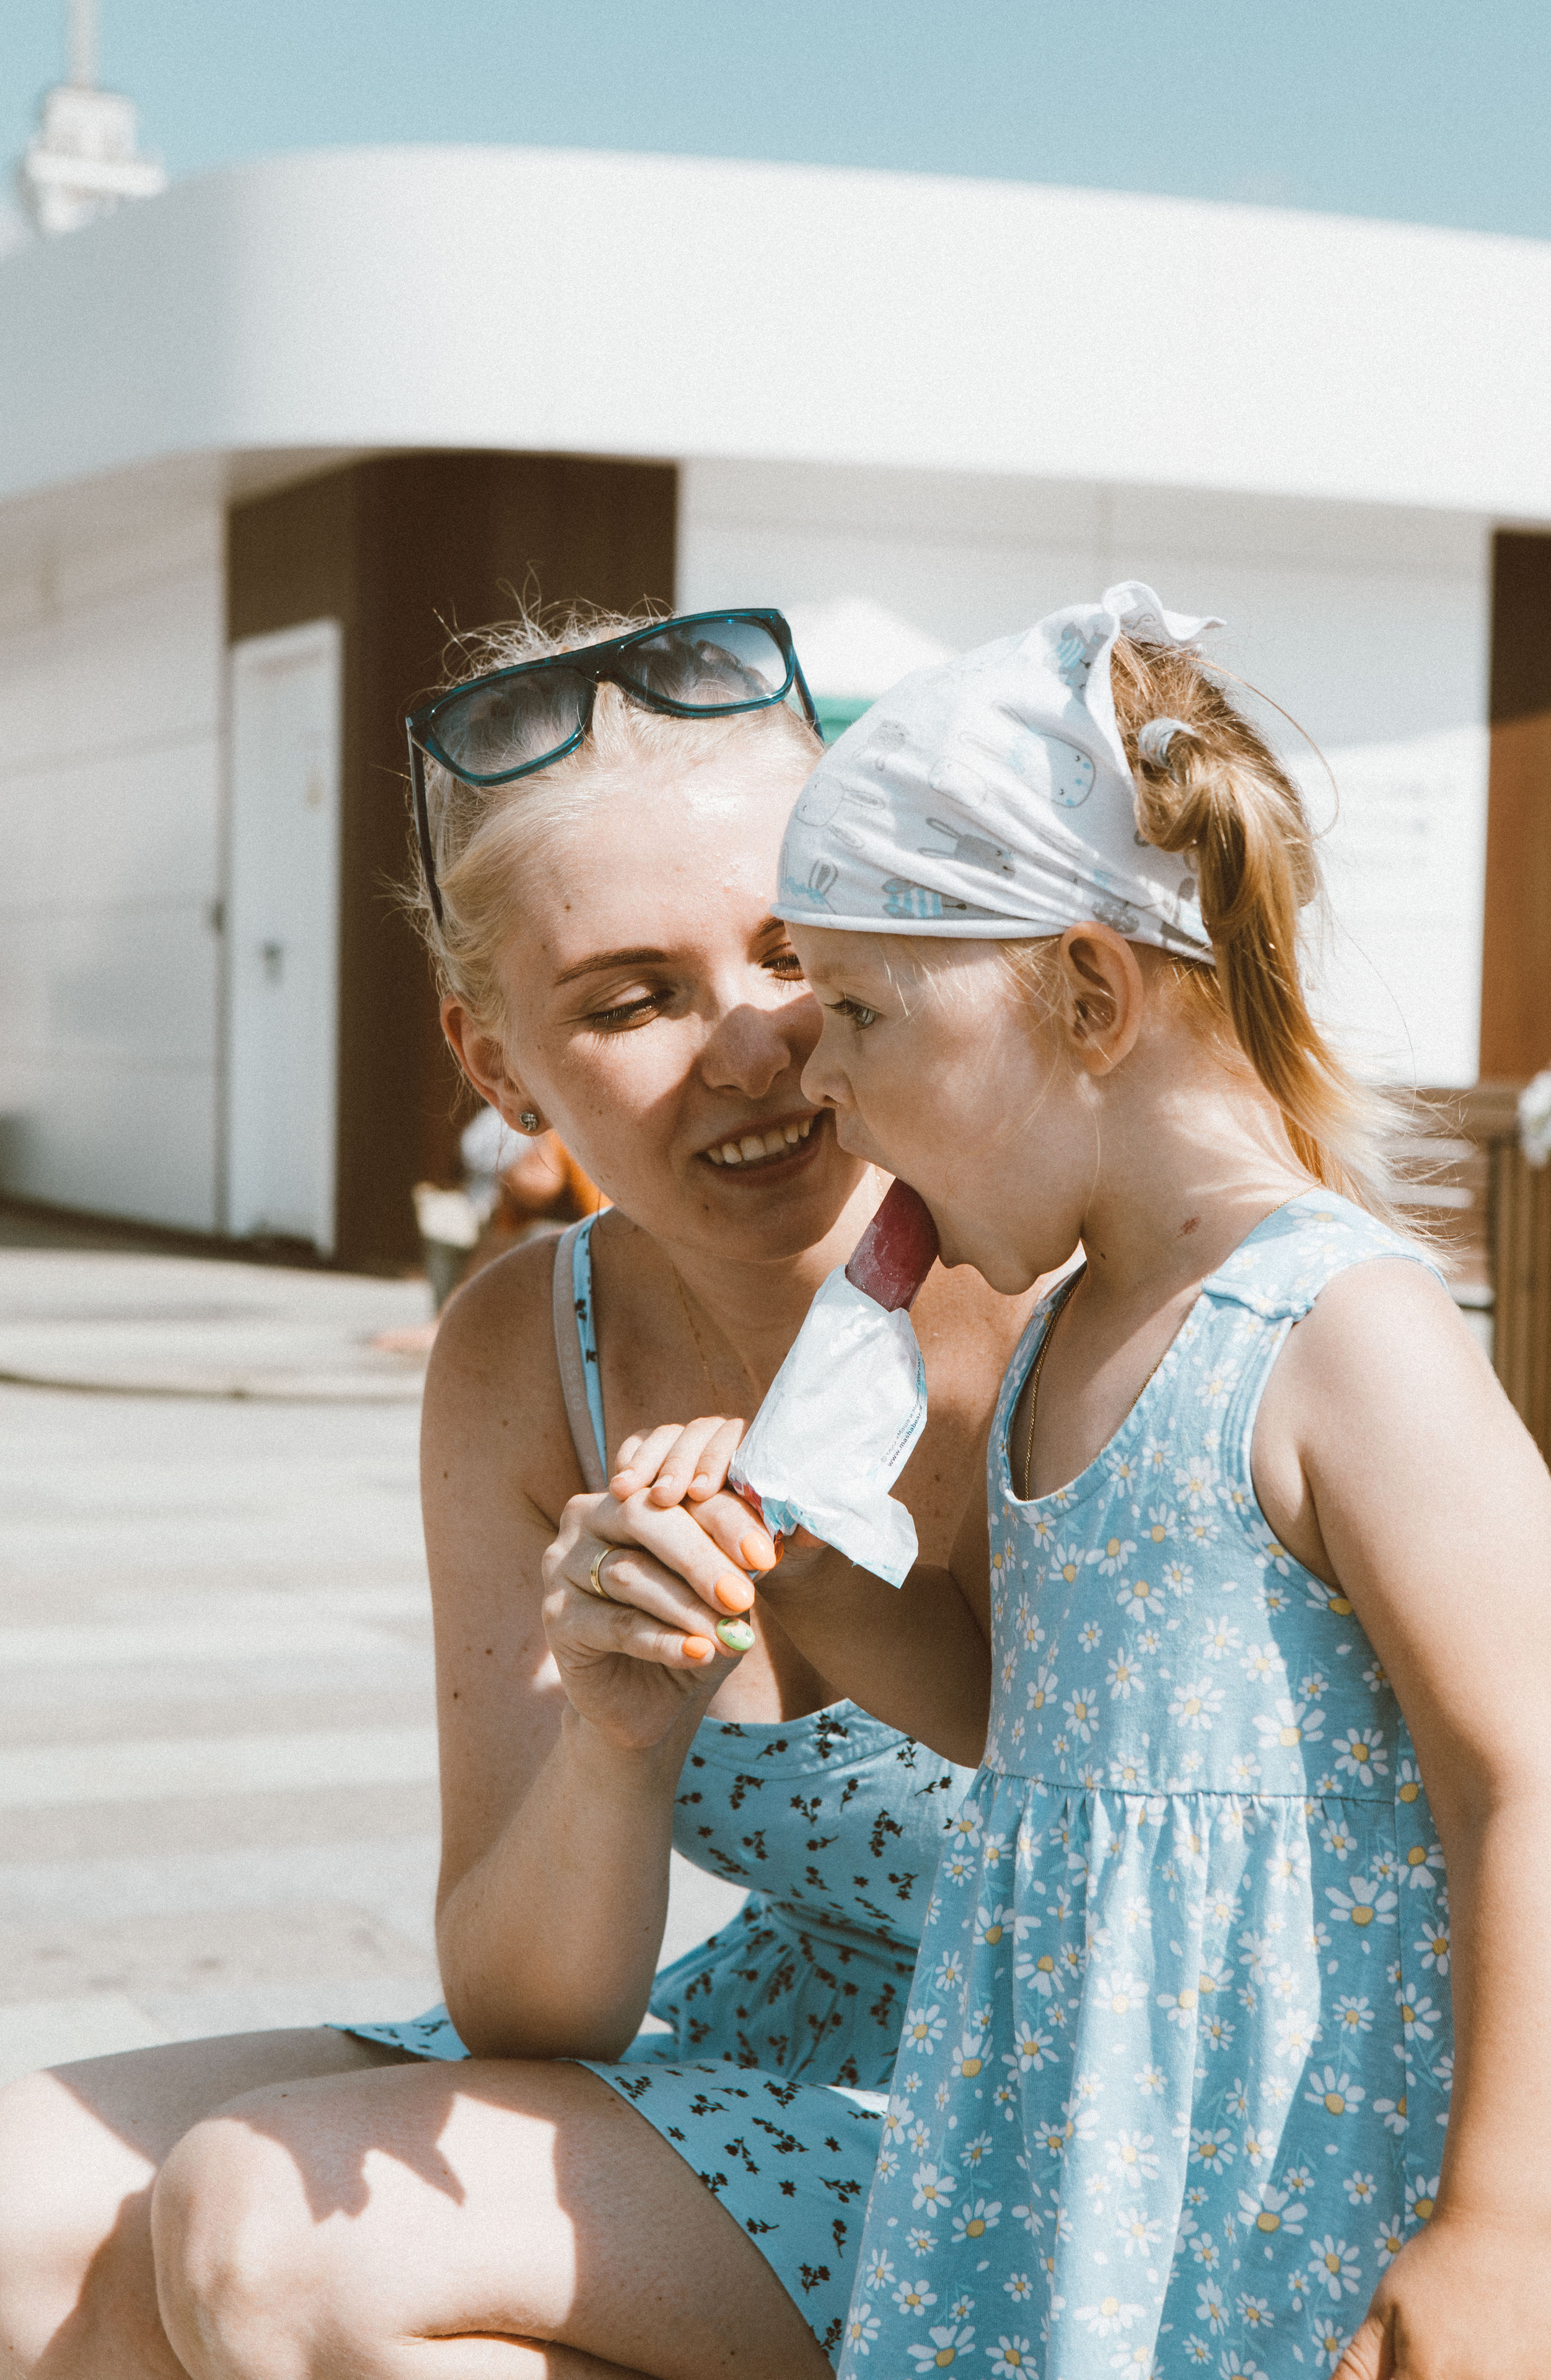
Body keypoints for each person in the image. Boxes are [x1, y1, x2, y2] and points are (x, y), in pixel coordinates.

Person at [0, 606, 1041, 2380]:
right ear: (497, 1068)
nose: (748, 1044)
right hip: (780, 2042)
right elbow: (532, 2005)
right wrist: (618, 1746)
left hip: (1062, 2098)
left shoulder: (1053, 1281)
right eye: (632, 998)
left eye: (789, 951)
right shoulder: (527, 1349)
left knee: (268, 2249)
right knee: (25, 2222)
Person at [594, 586, 1551, 2377]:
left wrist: (1507, 2230)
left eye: (863, 1012)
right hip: (1064, 2174)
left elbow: (1532, 1784)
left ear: (1086, 991)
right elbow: (1022, 1713)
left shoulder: (1338, 1333)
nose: (815, 1072)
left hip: (1295, 2185)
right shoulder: (1061, 1329)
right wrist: (798, 1576)